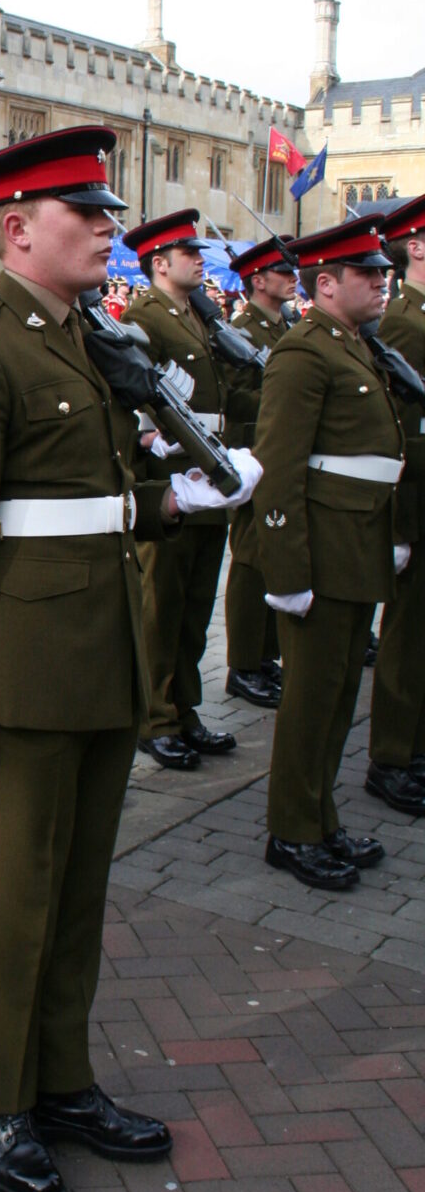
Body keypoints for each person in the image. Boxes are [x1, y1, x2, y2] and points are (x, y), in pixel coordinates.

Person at [0, 127, 260, 1192]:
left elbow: (96, 499)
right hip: (22, 672)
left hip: (104, 652)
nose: (110, 228)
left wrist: (174, 499)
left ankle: (62, 1078)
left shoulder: (86, 338)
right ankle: (0, 1099)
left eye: (107, 213)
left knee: (78, 890)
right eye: (88, 214)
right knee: (15, 897)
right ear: (17, 228)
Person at [255, 216, 404, 891]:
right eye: (368, 274)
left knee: (341, 695)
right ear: (327, 283)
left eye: (382, 272)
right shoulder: (304, 352)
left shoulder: (353, 344)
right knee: (310, 701)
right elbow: (278, 468)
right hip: (319, 553)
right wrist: (287, 571)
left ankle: (321, 815)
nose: (382, 281)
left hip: (356, 546)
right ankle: (291, 829)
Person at [123, 211, 254, 770]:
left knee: (196, 604)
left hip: (208, 471)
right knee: (163, 604)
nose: (201, 261)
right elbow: (137, 399)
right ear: (160, 263)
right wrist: (154, 441)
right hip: (170, 475)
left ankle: (185, 705)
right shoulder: (143, 316)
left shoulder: (199, 316)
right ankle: (155, 716)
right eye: (189, 254)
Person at [367, 195, 425, 816]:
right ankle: (392, 755)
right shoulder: (406, 323)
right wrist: (402, 526)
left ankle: (414, 746)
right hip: (417, 501)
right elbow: (402, 437)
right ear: (416, 246)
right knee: (407, 640)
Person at [223, 239, 298, 708]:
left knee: (275, 551)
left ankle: (266, 655)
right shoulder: (242, 329)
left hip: (281, 455)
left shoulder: (288, 324)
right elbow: (233, 397)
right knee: (250, 559)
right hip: (254, 453)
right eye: (281, 270)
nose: (292, 276)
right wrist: (282, 398)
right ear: (258, 280)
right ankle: (243, 663)